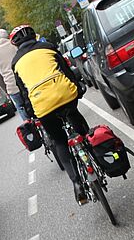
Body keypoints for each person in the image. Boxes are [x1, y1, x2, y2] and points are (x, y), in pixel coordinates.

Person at [9, 24, 90, 204]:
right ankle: (93, 154)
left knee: (60, 141)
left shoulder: (16, 63)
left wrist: (30, 113)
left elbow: (23, 92)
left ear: (15, 44)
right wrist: (78, 86)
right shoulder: (48, 47)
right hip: (65, 94)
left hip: (42, 106)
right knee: (76, 118)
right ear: (34, 36)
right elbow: (66, 70)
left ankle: (77, 184)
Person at [0, 29, 28, 121]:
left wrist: (7, 90)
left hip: (12, 87)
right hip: (26, 82)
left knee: (21, 108)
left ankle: (29, 127)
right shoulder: (15, 44)